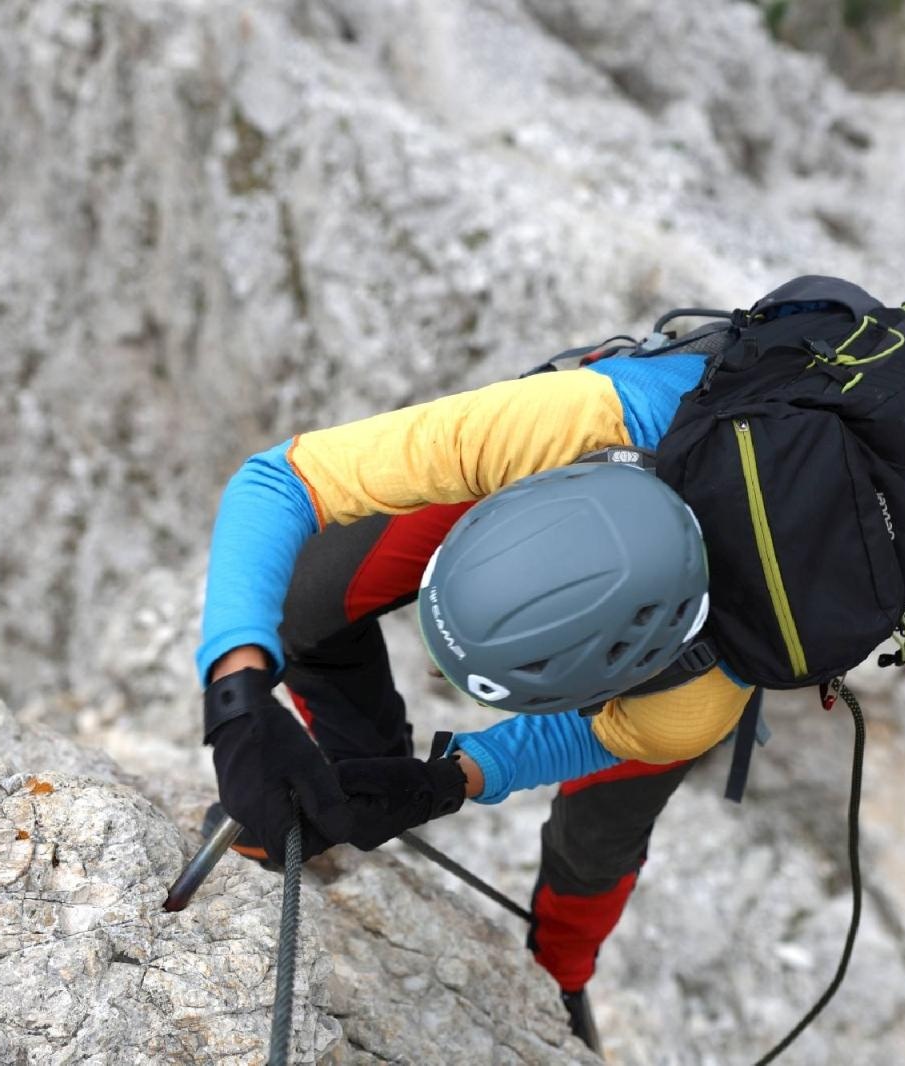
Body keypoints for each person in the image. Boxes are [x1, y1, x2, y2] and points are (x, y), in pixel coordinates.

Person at [197, 351, 754, 1046]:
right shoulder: (554, 425)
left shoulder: (695, 702)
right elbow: (277, 481)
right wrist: (237, 694)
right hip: (607, 456)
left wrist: (448, 782)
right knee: (305, 597)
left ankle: (561, 974)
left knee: (598, 839)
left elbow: (592, 739)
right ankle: (350, 774)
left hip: (724, 616)